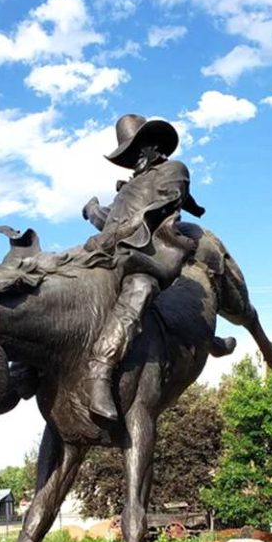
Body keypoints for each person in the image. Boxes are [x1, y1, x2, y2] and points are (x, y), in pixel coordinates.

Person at [81, 113, 205, 420]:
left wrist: (115, 235)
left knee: (140, 287)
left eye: (136, 150)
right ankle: (25, 373)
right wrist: (95, 211)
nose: (133, 158)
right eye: (127, 154)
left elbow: (160, 208)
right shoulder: (126, 189)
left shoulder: (173, 171)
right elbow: (110, 223)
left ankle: (101, 370)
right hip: (113, 253)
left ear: (152, 146)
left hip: (149, 255)